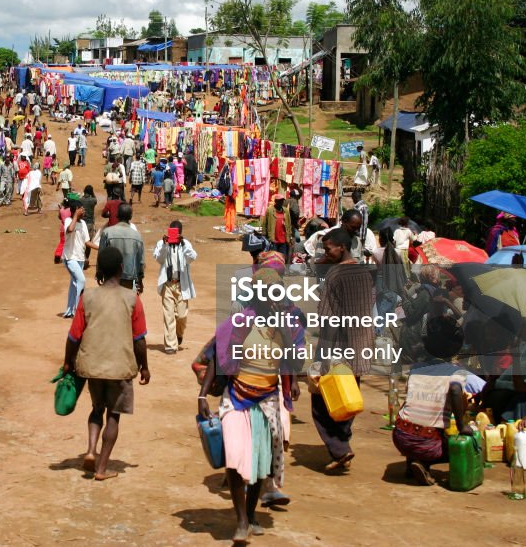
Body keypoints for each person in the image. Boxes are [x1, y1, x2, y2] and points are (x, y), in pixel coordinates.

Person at [198, 266, 304, 544]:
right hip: (236, 398)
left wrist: (287, 342)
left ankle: (250, 511)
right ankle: (242, 521)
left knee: (260, 462)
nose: (272, 299)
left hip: (268, 400)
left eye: (276, 293)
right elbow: (215, 360)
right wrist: (202, 396)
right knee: (234, 458)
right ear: (256, 295)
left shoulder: (286, 326)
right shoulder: (238, 324)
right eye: (267, 293)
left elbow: (293, 363)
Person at [62, 247, 150, 481]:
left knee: (96, 408)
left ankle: (91, 450)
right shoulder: (132, 299)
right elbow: (139, 340)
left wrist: (67, 362)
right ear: (121, 269)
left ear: (99, 270)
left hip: (93, 365)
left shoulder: (88, 297)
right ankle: (101, 468)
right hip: (120, 367)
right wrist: (144, 367)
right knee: (114, 415)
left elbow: (73, 337)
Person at [311, 227, 376, 472]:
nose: (325, 254)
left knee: (321, 400)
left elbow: (329, 320)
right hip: (361, 344)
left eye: (328, 250)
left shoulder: (335, 276)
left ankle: (340, 448)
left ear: (341, 247)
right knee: (350, 394)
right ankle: (343, 442)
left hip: (338, 345)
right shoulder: (364, 272)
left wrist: (324, 356)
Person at [392, 317, 485, 485]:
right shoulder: (456, 373)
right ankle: (423, 463)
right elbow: (456, 390)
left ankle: (411, 461)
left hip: (399, 434)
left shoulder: (416, 368)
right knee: (460, 448)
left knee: (417, 422)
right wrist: (462, 425)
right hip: (426, 441)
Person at [153, 220, 197, 354]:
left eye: (176, 233)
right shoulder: (162, 244)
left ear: (181, 233)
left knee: (181, 316)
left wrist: (182, 243)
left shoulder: (185, 244)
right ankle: (171, 345)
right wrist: (164, 246)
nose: (173, 236)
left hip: (181, 284)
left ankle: (179, 334)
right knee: (169, 315)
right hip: (167, 283)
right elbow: (158, 259)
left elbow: (192, 257)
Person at [99, 203, 145, 293]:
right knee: (125, 305)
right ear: (130, 217)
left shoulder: (107, 232)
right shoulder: (137, 236)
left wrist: (99, 272)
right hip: (129, 278)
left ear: (117, 215)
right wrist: (140, 279)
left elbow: (101, 254)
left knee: (111, 303)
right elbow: (141, 261)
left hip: (110, 277)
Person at [59, 198, 90, 318]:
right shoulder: (68, 220)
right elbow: (70, 230)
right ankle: (78, 310)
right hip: (69, 258)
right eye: (81, 209)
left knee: (74, 284)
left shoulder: (83, 224)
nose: (83, 210)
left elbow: (87, 242)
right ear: (75, 211)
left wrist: (100, 247)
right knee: (81, 280)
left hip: (80, 258)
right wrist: (75, 216)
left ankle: (70, 310)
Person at [81, 185, 98, 268]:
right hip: (90, 223)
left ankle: (83, 258)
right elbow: (95, 200)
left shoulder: (81, 200)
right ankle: (86, 258)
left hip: (82, 223)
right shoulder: (93, 200)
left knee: (82, 242)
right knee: (89, 242)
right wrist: (93, 194)